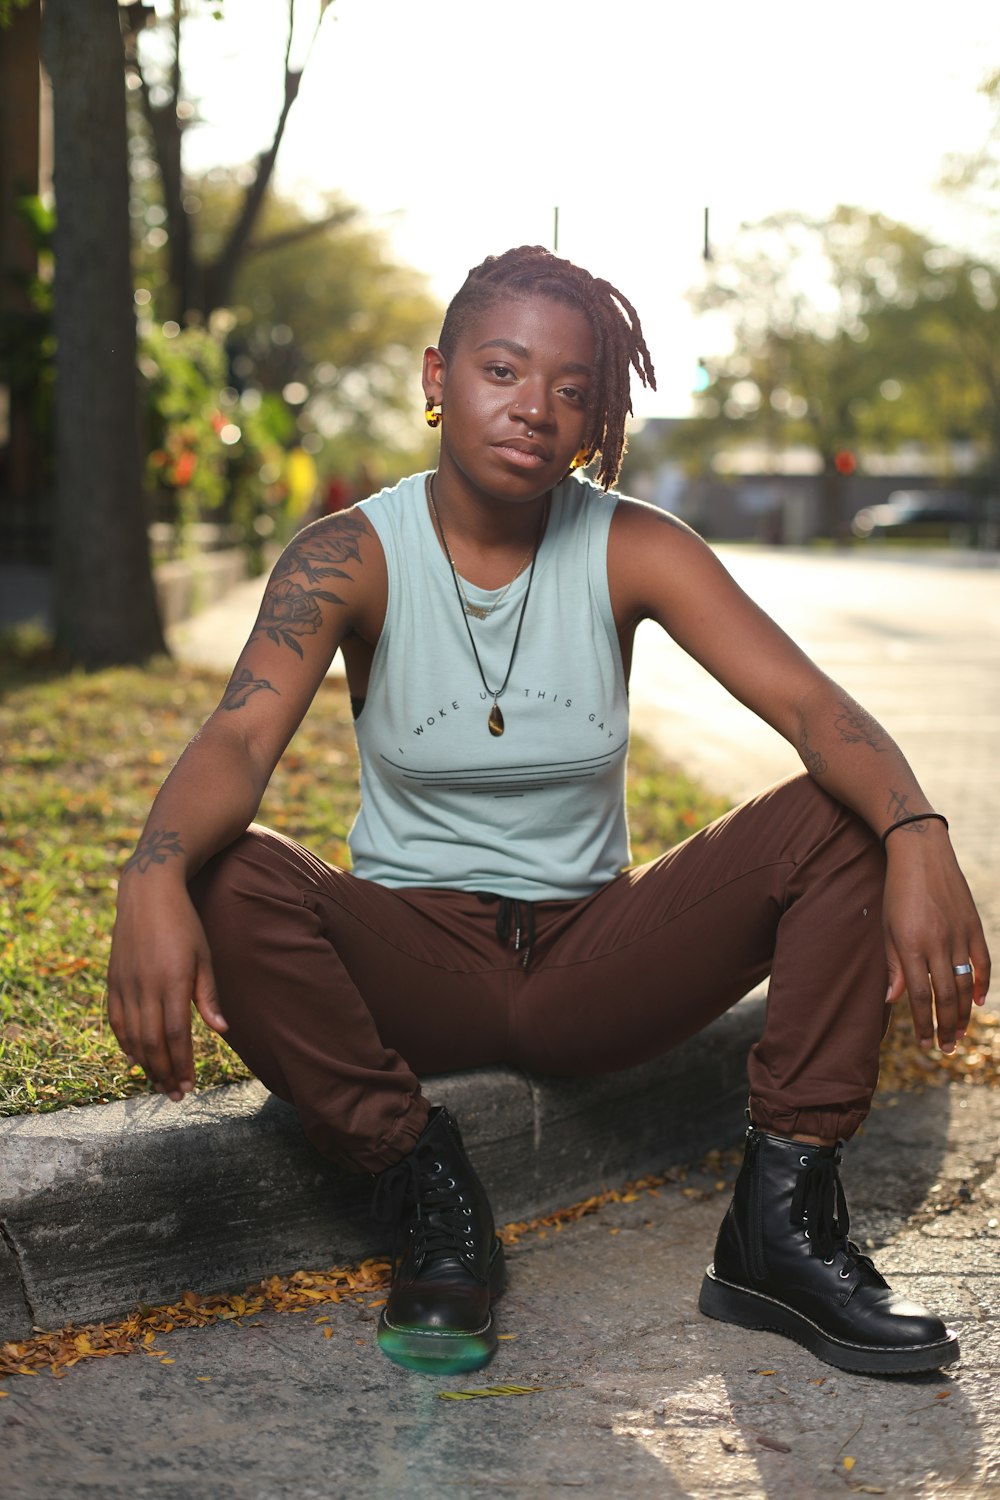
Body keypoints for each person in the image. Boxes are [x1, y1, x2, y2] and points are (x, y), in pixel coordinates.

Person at [108, 245, 990, 1379]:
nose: (535, 408)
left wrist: (919, 832)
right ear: (438, 377)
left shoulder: (631, 546)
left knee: (843, 816)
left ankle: (782, 1227)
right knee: (225, 872)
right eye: (502, 369)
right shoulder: (346, 556)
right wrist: (151, 873)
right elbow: (236, 739)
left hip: (592, 962)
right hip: (413, 959)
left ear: (595, 418)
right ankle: (427, 1190)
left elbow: (813, 709)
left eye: (572, 389)